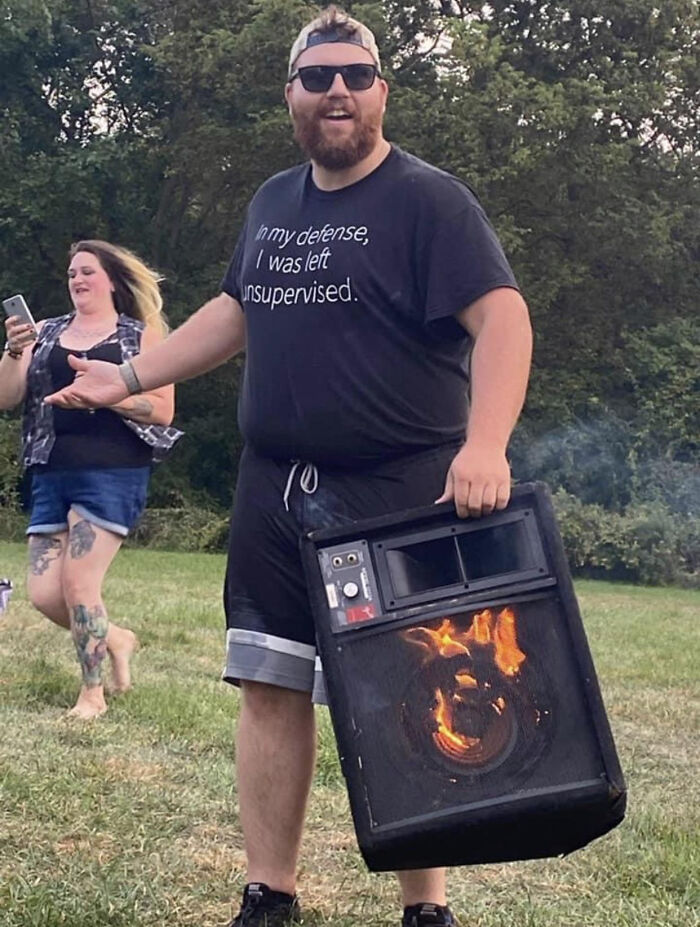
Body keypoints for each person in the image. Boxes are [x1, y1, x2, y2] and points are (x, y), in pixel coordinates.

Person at [44, 6, 533, 924]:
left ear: (382, 89)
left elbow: (502, 317)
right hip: (276, 490)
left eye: (355, 74)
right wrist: (131, 375)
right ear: (292, 95)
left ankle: (425, 906)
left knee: (408, 688)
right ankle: (270, 895)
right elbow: (237, 311)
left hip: (398, 489)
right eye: (318, 78)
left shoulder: (430, 201)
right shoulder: (272, 202)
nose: (337, 90)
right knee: (269, 686)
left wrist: (486, 443)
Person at [0, 240, 181, 719]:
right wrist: (14, 352)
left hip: (112, 472)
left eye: (87, 272)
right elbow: (7, 396)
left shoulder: (139, 337)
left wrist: (106, 397)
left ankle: (92, 695)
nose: (77, 280)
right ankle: (116, 638)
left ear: (113, 281)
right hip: (50, 470)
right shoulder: (45, 331)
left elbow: (162, 410)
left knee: (81, 585)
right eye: (71, 273)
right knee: (43, 595)